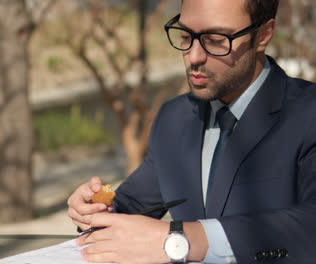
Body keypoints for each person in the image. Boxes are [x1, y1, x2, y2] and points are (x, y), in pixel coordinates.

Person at [67, 0, 316, 263]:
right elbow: (130, 208)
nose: (194, 57)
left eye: (216, 40)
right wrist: (93, 211)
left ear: (264, 34)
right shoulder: (174, 118)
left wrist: (179, 240)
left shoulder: (308, 114)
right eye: (186, 36)